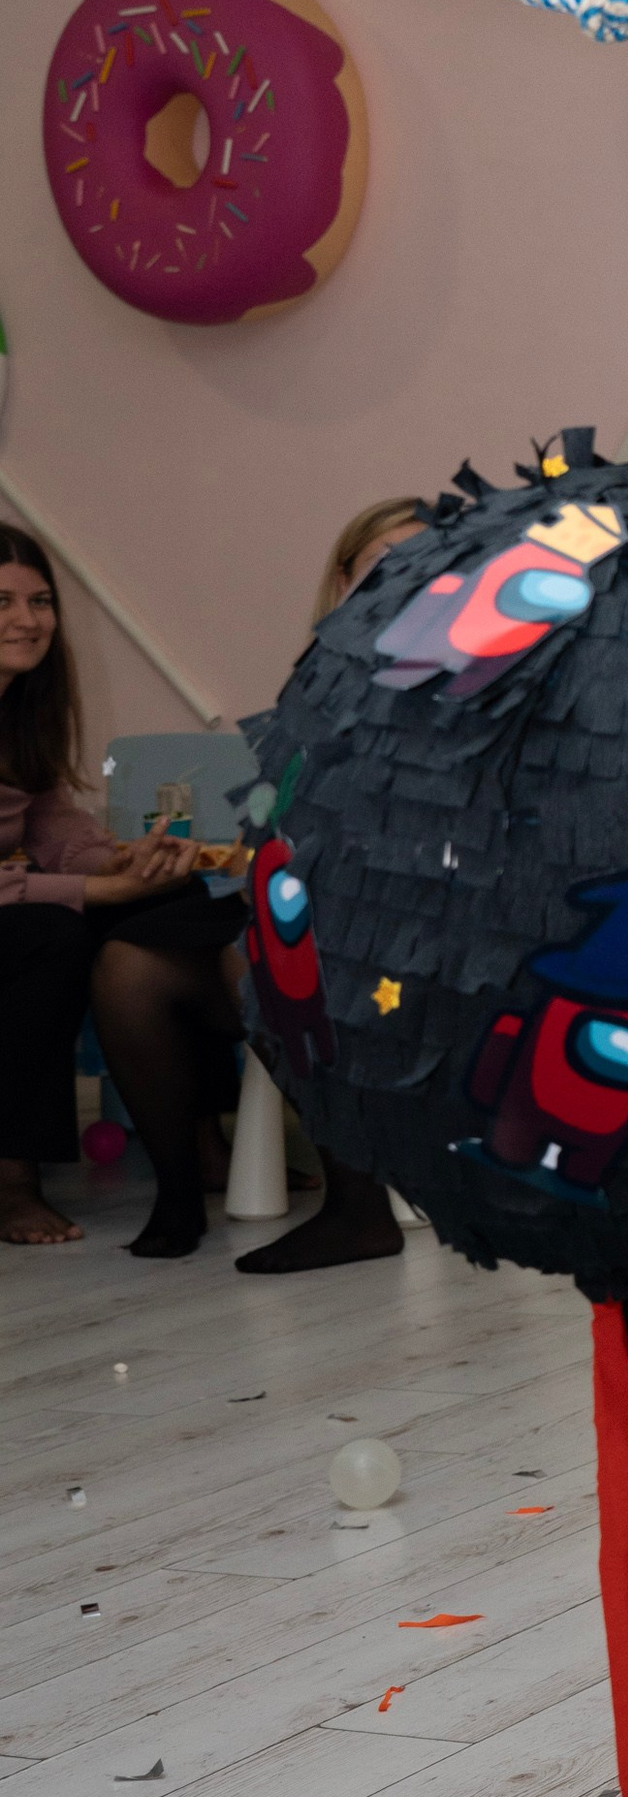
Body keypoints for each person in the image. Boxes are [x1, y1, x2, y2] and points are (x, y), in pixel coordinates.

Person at [0, 523, 236, 1254]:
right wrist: (91, 892)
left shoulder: (19, 713)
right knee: (53, 934)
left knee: (174, 900)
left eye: (41, 601)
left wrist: (126, 860)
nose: (30, 619)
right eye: (3, 601)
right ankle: (11, 1174)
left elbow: (51, 824)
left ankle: (201, 1137)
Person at [231, 495, 430, 1276]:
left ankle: (357, 1205)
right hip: (318, 887)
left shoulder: (478, 677)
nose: (402, 581)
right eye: (383, 564)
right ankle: (181, 1191)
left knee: (284, 956)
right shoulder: (318, 683)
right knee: (143, 956)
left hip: (435, 911)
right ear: (343, 580)